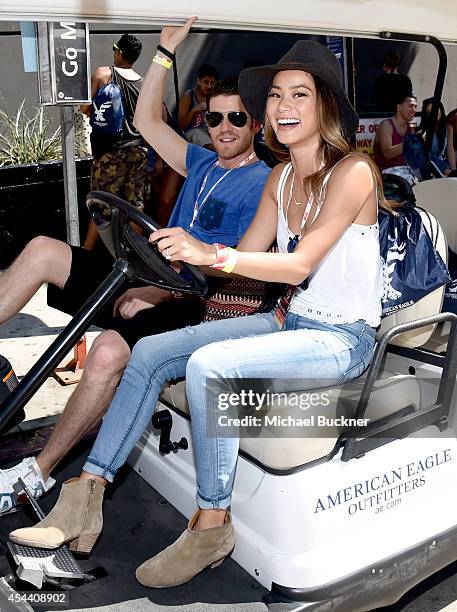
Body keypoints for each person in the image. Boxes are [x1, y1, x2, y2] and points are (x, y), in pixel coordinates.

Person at [9, 18, 389, 589]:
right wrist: (173, 252)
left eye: (299, 95)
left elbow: (296, 264)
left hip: (343, 339)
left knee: (210, 367)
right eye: (278, 96)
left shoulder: (354, 170)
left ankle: (212, 521)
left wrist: (206, 253)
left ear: (325, 105)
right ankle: (83, 497)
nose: (284, 106)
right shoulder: (281, 178)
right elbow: (241, 253)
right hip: (287, 323)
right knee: (152, 351)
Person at [0, 71, 270, 513]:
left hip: (188, 297)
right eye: (215, 117)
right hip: (146, 272)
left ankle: (36, 475)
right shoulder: (200, 160)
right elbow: (145, 119)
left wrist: (159, 293)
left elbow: (231, 267)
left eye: (237, 118)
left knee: (107, 351)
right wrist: (162, 53)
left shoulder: (262, 184)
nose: (224, 127)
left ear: (255, 124)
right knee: (43, 250)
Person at [81, 34, 148, 251]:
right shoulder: (144, 82)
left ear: (119, 52)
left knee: (100, 205)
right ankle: (136, 257)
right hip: (138, 151)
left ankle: (85, 255)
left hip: (110, 153)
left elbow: (84, 108)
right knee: (135, 207)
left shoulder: (104, 74)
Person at [373, 94, 418, 184]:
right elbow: (387, 153)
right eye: (410, 106)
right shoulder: (386, 125)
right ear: (399, 107)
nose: (414, 110)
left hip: (406, 170)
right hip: (386, 173)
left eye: (415, 107)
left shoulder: (411, 127)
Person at [178, 63, 219, 147]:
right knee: (198, 134)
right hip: (193, 133)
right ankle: (214, 156)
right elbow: (181, 126)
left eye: (212, 83)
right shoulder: (189, 96)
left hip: (212, 131)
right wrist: (194, 110)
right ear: (198, 81)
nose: (209, 86)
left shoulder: (217, 96)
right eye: (206, 82)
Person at [416, 98, 451, 176]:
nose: (433, 113)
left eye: (435, 109)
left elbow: (450, 150)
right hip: (430, 166)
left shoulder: (447, 127)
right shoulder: (423, 132)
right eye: (429, 112)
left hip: (443, 162)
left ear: (440, 109)